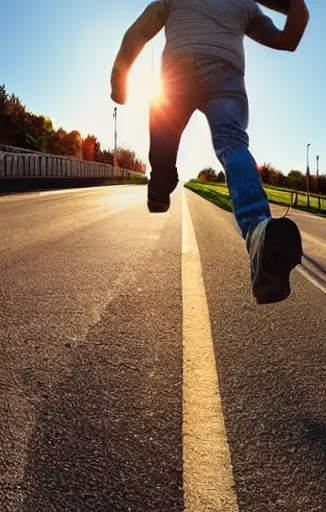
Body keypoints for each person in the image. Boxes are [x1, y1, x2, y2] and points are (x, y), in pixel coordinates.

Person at [110, 0, 309, 304]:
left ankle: (161, 183)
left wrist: (119, 79)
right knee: (233, 145)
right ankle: (257, 229)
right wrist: (294, 5)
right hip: (226, 76)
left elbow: (138, 33)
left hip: (178, 70)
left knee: (163, 120)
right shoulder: (245, 4)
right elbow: (287, 39)